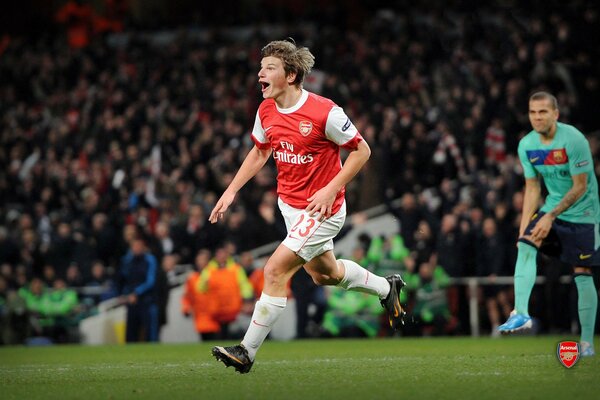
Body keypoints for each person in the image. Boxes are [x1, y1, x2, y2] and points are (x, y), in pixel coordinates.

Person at [208, 39, 406, 373]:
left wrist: (331, 189)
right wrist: (231, 191)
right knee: (324, 275)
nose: (260, 74)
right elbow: (259, 152)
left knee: (274, 271)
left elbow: (362, 151)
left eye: (269, 68)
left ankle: (246, 351)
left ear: (291, 74)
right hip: (291, 207)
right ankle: (387, 288)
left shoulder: (325, 111)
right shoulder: (266, 110)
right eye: (261, 67)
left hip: (322, 210)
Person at [498, 92, 599, 357]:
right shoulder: (527, 145)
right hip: (551, 210)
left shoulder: (574, 140)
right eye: (532, 112)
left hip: (584, 214)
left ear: (556, 113)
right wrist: (523, 230)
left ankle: (587, 343)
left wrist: (550, 215)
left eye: (543, 112)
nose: (537, 117)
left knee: (582, 273)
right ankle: (521, 313)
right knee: (526, 246)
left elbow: (580, 187)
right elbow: (532, 188)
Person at [116, 236, 160, 342]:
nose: (136, 248)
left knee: (150, 333)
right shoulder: (128, 261)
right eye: (134, 246)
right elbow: (123, 279)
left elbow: (150, 281)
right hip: (131, 301)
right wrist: (123, 294)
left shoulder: (150, 260)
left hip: (146, 301)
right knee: (131, 334)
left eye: (138, 246)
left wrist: (136, 293)